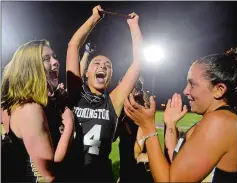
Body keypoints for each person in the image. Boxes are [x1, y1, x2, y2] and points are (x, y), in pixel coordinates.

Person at [124, 49, 237, 182]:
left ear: (218, 90)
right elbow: (179, 164)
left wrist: (148, 127)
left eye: (192, 84)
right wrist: (171, 124)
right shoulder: (215, 119)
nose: (185, 90)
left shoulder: (220, 122)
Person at [66, 5, 143, 182]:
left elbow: (138, 62)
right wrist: (94, 18)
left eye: (108, 65)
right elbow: (73, 46)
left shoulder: (113, 102)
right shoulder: (76, 94)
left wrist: (134, 26)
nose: (102, 66)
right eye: (97, 63)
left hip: (99, 176)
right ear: (86, 72)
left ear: (109, 77)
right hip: (69, 175)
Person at [1, 40, 74, 182]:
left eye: (54, 57)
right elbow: (49, 175)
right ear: (31, 67)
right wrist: (69, 125)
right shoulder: (30, 110)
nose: (55, 62)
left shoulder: (33, 103)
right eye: (46, 59)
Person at [118, 79, 154, 183]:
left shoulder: (140, 111)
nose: (122, 89)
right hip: (127, 170)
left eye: (127, 86)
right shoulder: (123, 112)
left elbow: (137, 153)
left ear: (137, 91)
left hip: (138, 173)